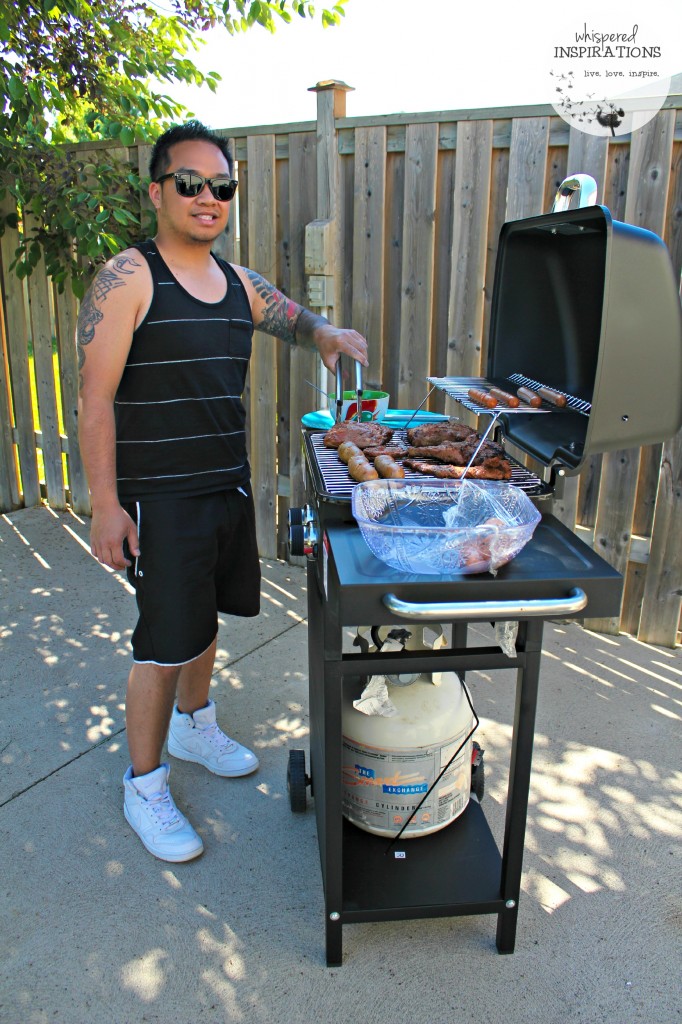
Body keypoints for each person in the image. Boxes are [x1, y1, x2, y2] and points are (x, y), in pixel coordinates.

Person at [77, 120, 368, 863]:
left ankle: (194, 722)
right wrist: (105, 506)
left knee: (206, 618)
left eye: (222, 187)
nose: (208, 198)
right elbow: (95, 399)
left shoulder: (236, 283)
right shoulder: (129, 278)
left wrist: (328, 335)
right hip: (159, 498)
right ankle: (143, 784)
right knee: (162, 641)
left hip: (223, 485)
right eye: (190, 184)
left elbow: (292, 317)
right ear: (158, 191)